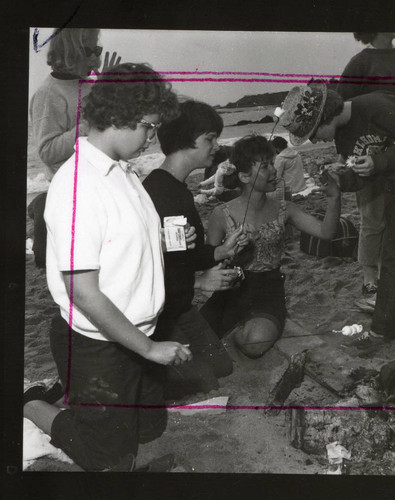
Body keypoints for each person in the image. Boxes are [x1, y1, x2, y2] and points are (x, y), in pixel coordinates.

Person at [23, 63, 191, 472]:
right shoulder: (79, 186)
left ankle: (82, 404)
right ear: (119, 117)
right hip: (97, 342)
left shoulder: (122, 171)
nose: (153, 137)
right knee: (108, 461)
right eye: (150, 127)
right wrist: (150, 349)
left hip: (136, 333)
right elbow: (83, 291)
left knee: (149, 429)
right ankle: (32, 405)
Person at [278, 82, 395, 349]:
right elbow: (362, 177)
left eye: (313, 133)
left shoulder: (377, 108)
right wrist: (340, 178)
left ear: (325, 117)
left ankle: (383, 331)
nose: (314, 141)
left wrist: (379, 163)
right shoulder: (342, 135)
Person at [200, 135, 340, 358]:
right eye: (265, 166)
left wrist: (334, 198)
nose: (274, 171)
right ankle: (234, 328)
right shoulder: (221, 214)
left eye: (272, 163)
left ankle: (235, 335)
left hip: (269, 289)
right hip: (231, 290)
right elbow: (208, 261)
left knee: (254, 344)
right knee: (196, 341)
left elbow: (326, 232)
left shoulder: (286, 208)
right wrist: (227, 252)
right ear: (244, 175)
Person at [142, 100, 248, 397]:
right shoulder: (159, 194)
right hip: (158, 314)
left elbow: (181, 254)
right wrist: (199, 282)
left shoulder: (176, 188)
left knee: (221, 367)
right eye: (210, 139)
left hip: (178, 306)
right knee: (204, 380)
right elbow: (152, 268)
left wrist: (220, 251)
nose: (217, 146)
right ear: (185, 140)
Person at [28, 28, 121, 268]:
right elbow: (47, 151)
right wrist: (87, 123)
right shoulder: (48, 94)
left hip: (96, 183)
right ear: (69, 53)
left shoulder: (88, 86)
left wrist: (106, 91)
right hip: (72, 190)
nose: (95, 59)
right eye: (89, 52)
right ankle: (41, 205)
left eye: (97, 51)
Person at [334, 32, 395, 299]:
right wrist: (347, 157)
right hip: (368, 150)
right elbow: (340, 113)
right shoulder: (359, 63)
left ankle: (388, 271)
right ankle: (369, 277)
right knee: (372, 217)